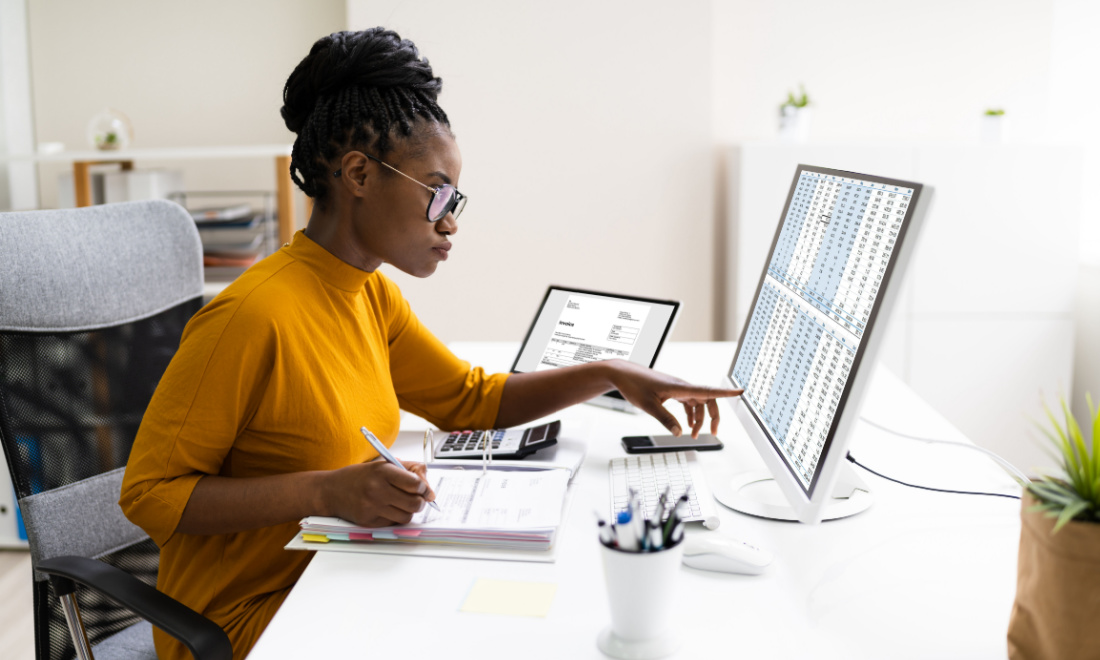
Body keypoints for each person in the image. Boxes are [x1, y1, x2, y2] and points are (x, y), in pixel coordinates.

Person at [120, 27, 741, 660]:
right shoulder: (249, 318)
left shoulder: (370, 295)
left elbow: (472, 401)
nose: (449, 222)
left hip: (337, 574)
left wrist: (609, 371)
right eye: (437, 193)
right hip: (251, 622)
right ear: (359, 174)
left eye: (456, 199)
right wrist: (324, 491)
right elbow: (149, 495)